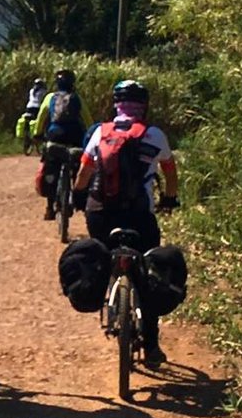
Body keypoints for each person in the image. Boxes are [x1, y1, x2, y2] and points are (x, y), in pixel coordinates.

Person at [71, 79, 179, 365]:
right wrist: (168, 199)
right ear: (143, 106)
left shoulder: (100, 133)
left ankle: (111, 295)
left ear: (116, 105)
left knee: (104, 256)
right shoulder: (155, 134)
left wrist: (79, 198)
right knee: (147, 271)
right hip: (139, 215)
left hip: (100, 213)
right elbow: (170, 173)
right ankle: (152, 346)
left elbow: (83, 174)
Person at [33, 68, 86, 220]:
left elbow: (41, 117)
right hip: (75, 137)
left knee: (52, 166)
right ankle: (78, 199)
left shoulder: (50, 97)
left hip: (54, 136)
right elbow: (88, 120)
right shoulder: (77, 98)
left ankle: (50, 208)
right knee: (77, 165)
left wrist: (37, 134)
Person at [16, 76, 47, 151]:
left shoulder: (31, 90)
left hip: (29, 107)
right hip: (37, 108)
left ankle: (27, 136)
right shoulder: (42, 91)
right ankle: (38, 135)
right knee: (40, 121)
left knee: (28, 121)